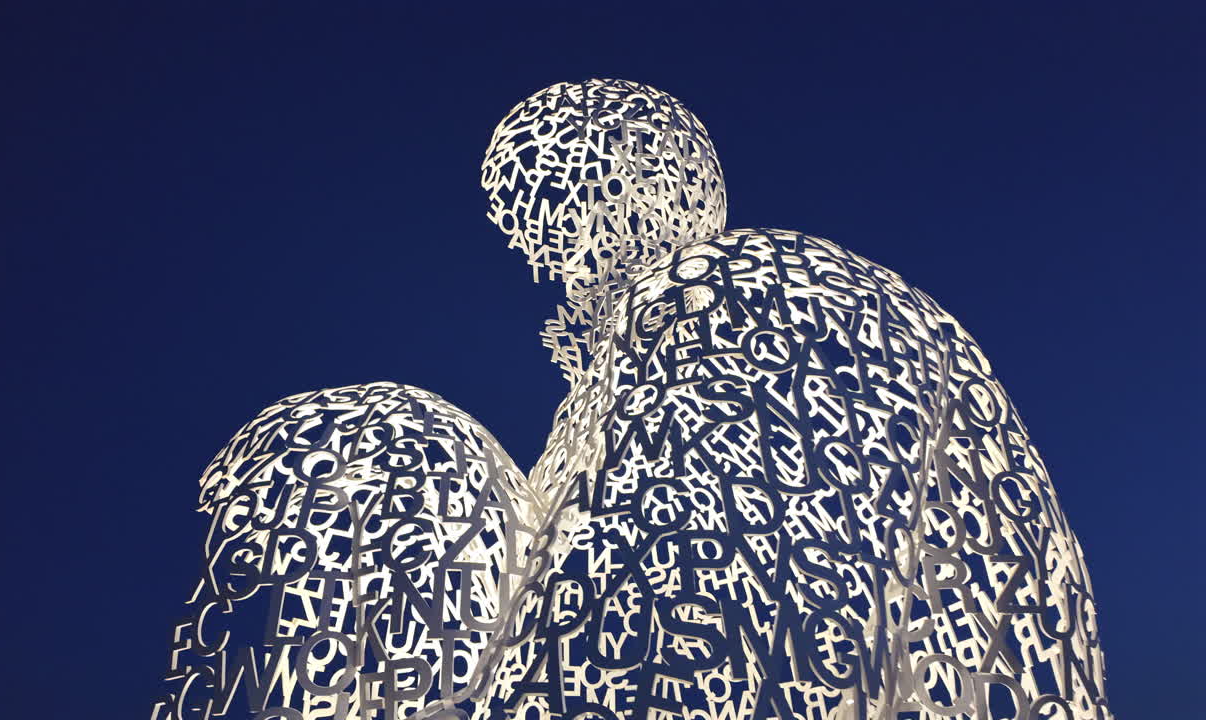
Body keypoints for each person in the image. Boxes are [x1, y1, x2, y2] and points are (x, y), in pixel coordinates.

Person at [154, 79, 1112, 720]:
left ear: (617, 199)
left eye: (547, 222)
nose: (540, 264)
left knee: (383, 449)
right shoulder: (613, 386)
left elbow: (673, 608)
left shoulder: (721, 301)